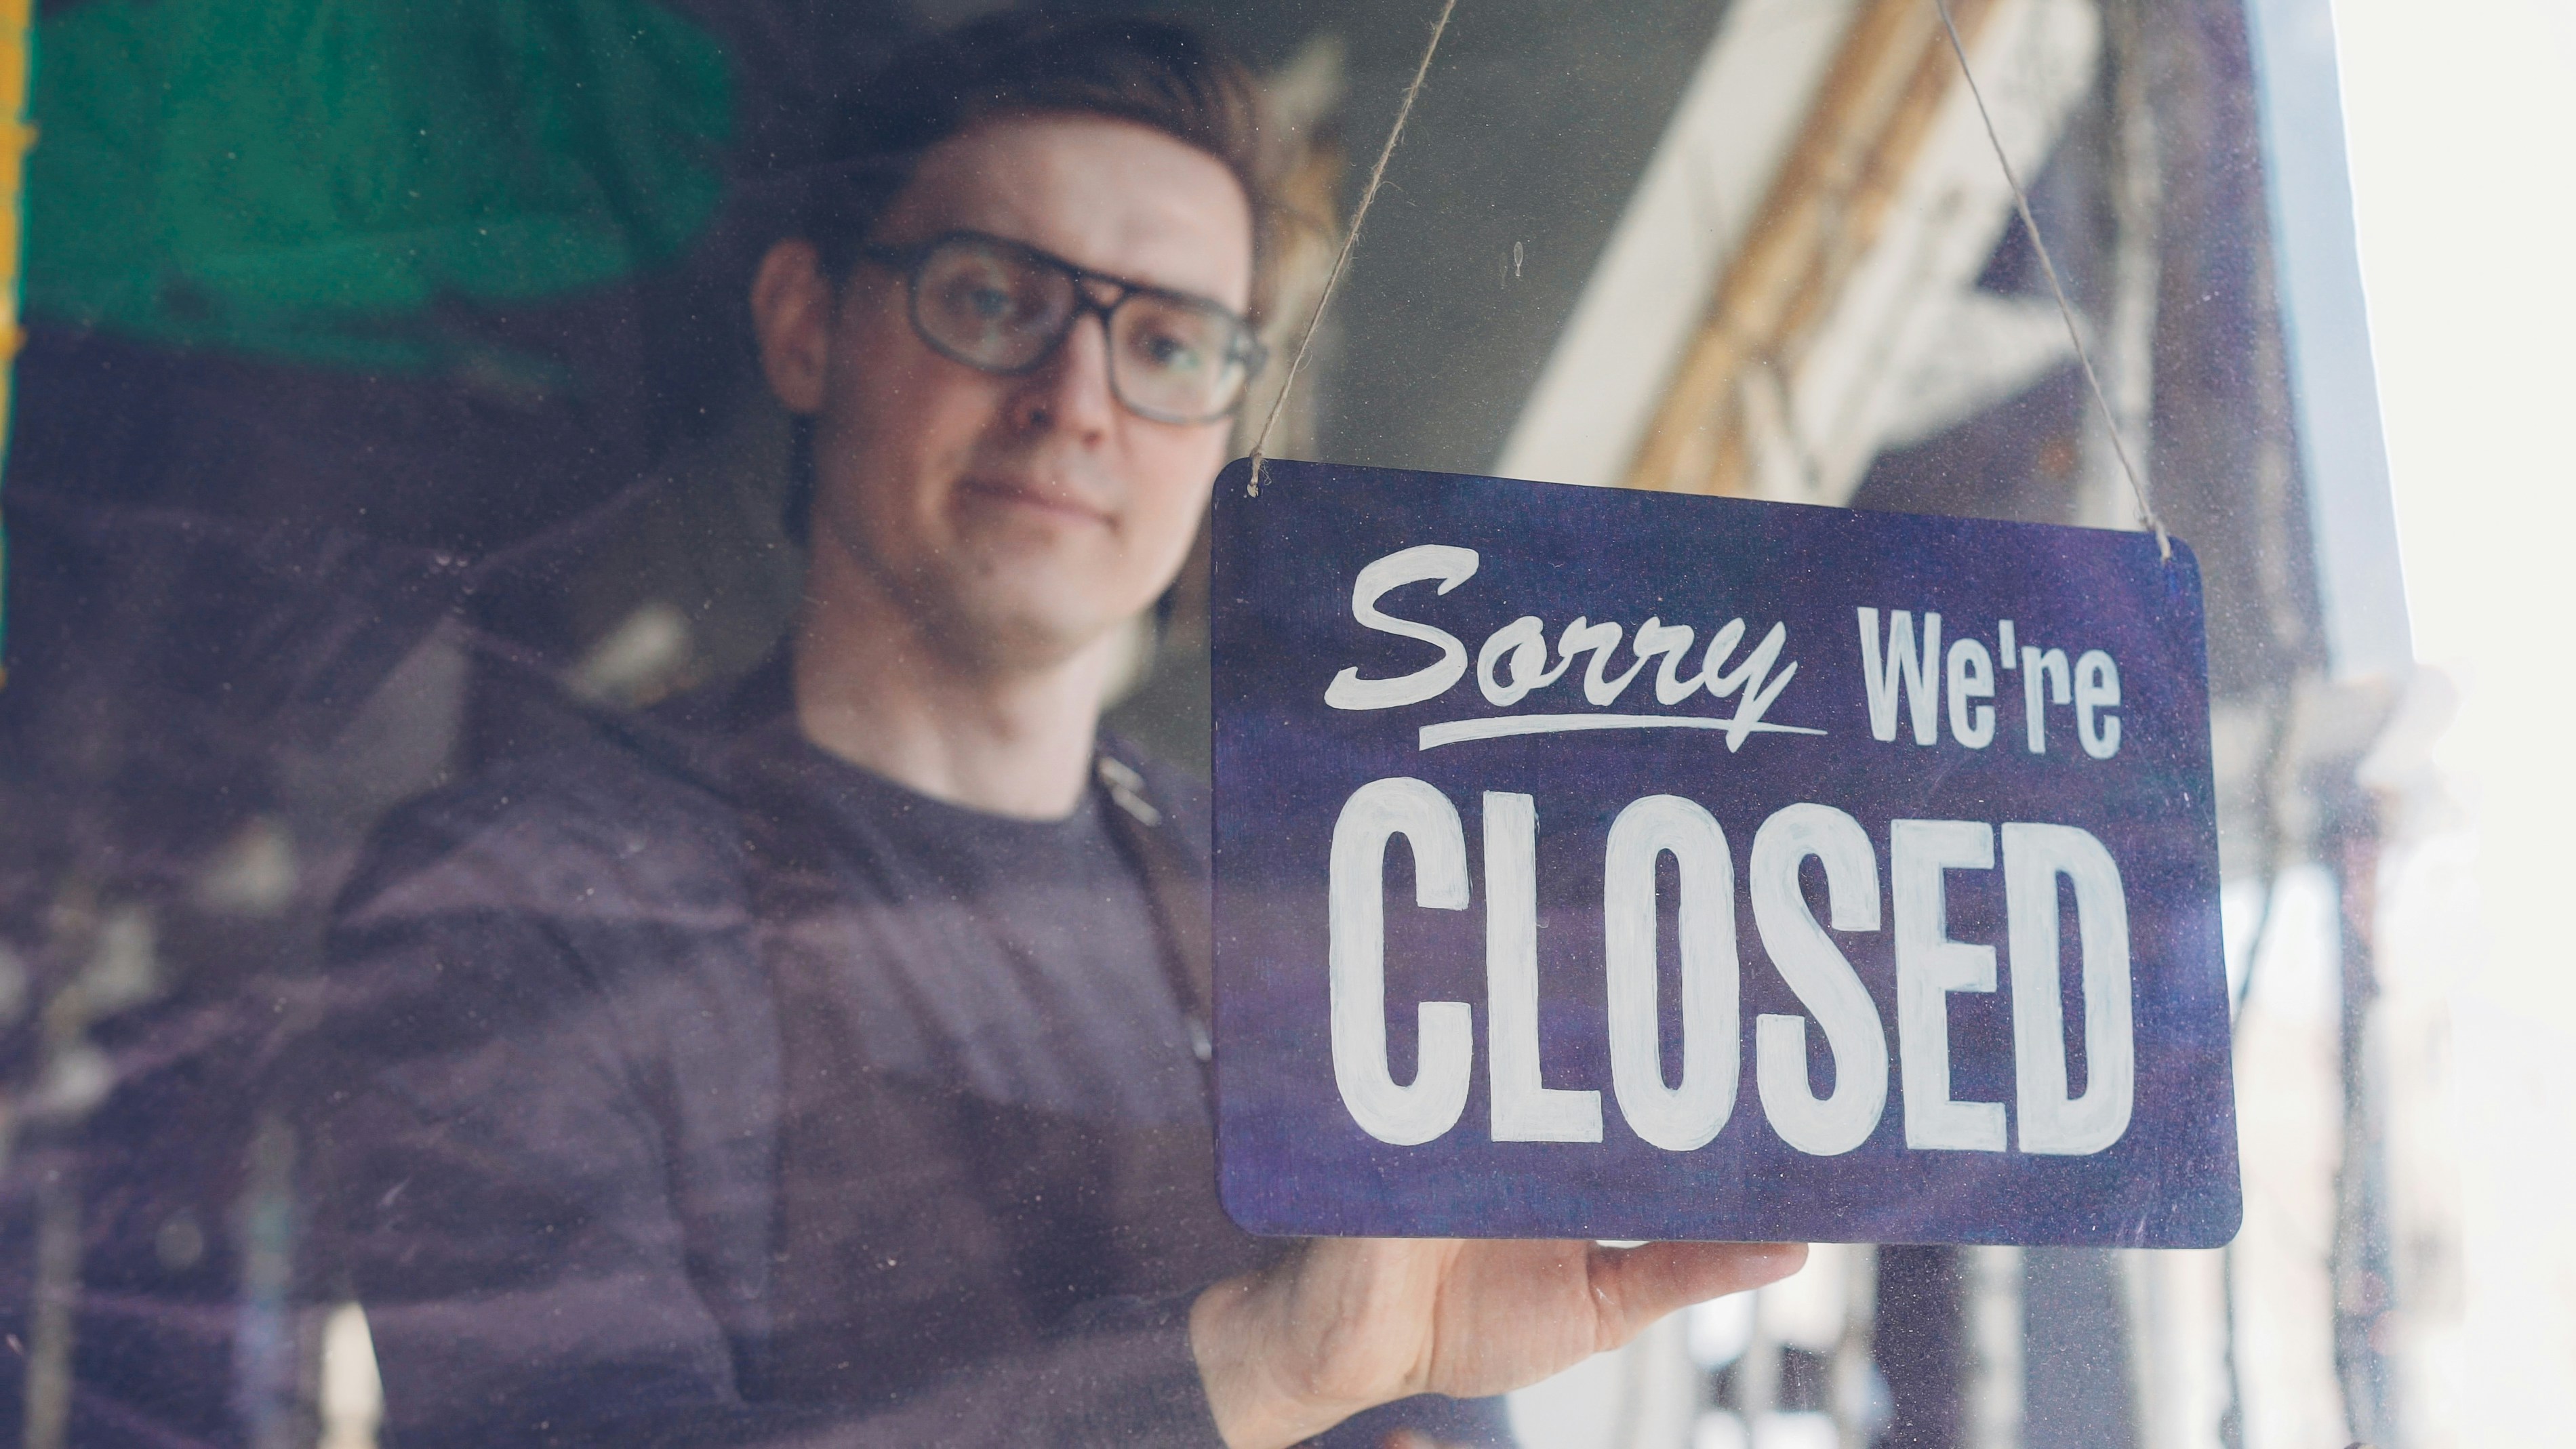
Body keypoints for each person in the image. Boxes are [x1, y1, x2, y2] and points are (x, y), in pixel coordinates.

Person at [293, 14, 1804, 1448]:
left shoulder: (1306, 920)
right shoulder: (523, 903)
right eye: (995, 298)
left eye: (1165, 342)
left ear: (1224, 419)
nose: (1076, 400)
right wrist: (1252, 1369)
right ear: (808, 328)